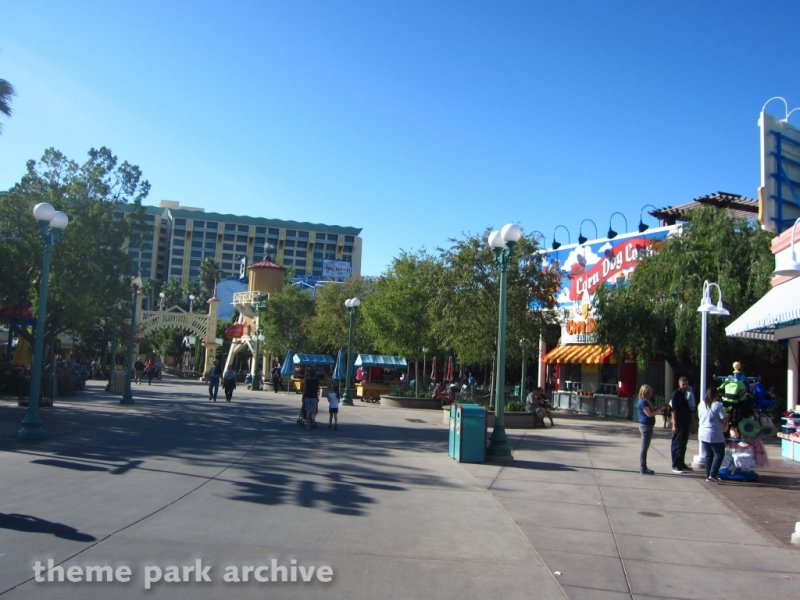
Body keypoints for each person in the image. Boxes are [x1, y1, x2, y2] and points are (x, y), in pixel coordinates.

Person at [698, 388, 729, 482]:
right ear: (716, 395)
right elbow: (724, 419)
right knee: (719, 454)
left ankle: (708, 475)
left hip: (703, 433)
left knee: (709, 454)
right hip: (714, 433)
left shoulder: (701, 404)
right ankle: (713, 474)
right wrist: (728, 416)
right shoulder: (717, 405)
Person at [638, 384, 669, 475]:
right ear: (646, 393)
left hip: (648, 426)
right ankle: (643, 468)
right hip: (646, 426)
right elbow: (649, 414)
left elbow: (652, 411)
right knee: (644, 448)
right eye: (650, 393)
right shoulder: (643, 402)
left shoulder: (646, 401)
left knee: (645, 447)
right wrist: (660, 409)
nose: (651, 394)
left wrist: (659, 407)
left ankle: (644, 467)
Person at [670, 376, 693, 473]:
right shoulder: (676, 394)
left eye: (686, 384)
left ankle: (681, 463)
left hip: (686, 420)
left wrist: (693, 423)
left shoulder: (689, 393)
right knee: (677, 444)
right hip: (679, 421)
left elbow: (692, 408)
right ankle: (675, 464)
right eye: (683, 384)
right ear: (679, 384)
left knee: (683, 444)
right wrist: (674, 424)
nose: (685, 386)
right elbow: (674, 410)